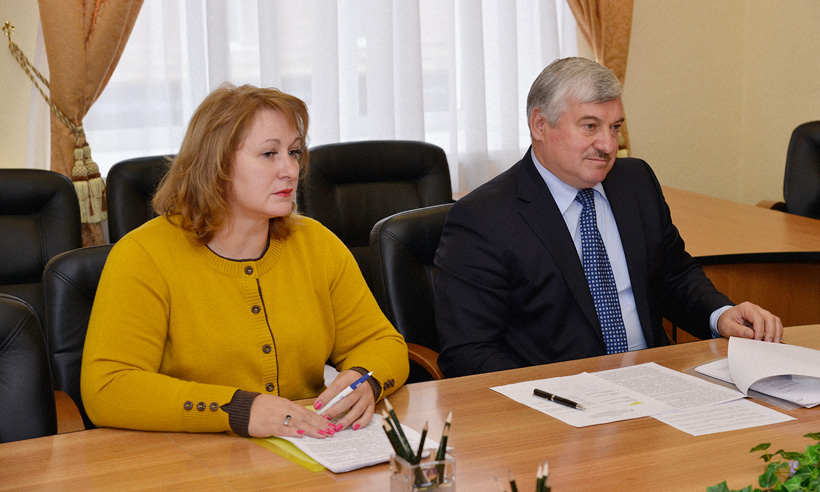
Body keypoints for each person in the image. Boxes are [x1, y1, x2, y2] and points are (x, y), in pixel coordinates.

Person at [81, 84, 409, 438]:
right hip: (192, 454)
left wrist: (366, 378)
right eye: (269, 154)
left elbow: (382, 342)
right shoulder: (142, 256)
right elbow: (108, 388)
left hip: (312, 447)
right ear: (216, 164)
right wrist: (237, 409)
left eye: (294, 152)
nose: (290, 170)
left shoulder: (317, 244)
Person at [434, 57, 782, 377]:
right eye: (590, 126)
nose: (608, 145)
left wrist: (720, 315)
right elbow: (469, 353)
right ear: (539, 124)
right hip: (557, 399)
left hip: (658, 380)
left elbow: (674, 276)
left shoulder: (636, 182)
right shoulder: (484, 218)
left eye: (615, 127)